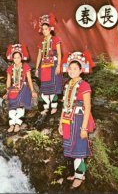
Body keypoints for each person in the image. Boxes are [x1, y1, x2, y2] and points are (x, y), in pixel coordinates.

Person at [58, 51, 95, 189]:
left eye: (75, 68)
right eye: (70, 68)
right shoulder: (68, 85)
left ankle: (79, 176)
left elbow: (87, 106)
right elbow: (65, 106)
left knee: (79, 148)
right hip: (68, 120)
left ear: (81, 70)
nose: (72, 71)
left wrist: (84, 128)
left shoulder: (84, 86)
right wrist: (61, 122)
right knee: (73, 149)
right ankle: (78, 173)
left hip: (79, 120)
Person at [3, 44, 37, 133]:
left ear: (21, 58)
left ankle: (17, 124)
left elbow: (29, 79)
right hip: (13, 88)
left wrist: (32, 91)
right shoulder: (10, 68)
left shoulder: (25, 67)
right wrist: (7, 92)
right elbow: (8, 81)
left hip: (23, 88)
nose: (16, 60)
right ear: (12, 58)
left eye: (18, 57)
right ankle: (11, 124)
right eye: (15, 58)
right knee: (12, 107)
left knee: (20, 106)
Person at [34, 13, 63, 115]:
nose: (44, 31)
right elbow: (39, 56)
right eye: (43, 29)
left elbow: (59, 54)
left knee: (53, 86)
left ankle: (54, 106)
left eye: (46, 28)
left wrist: (59, 65)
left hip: (53, 65)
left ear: (50, 29)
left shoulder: (56, 40)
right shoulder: (41, 42)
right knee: (45, 87)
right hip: (44, 67)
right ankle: (46, 107)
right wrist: (37, 69)